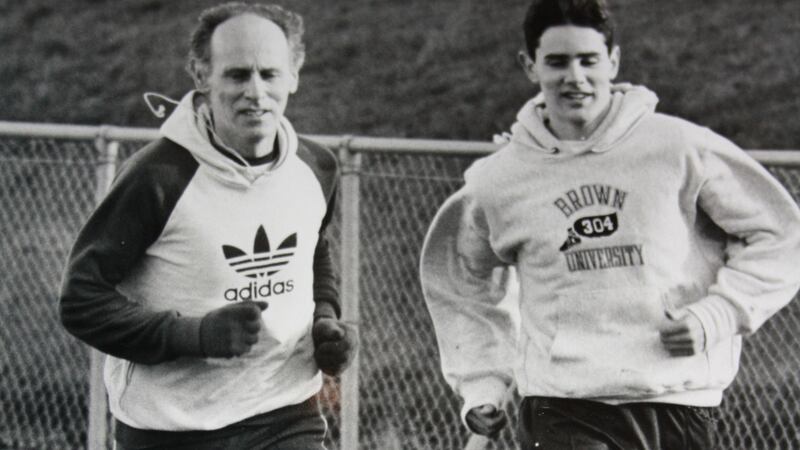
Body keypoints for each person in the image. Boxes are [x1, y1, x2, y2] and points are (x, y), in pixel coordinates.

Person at [419, 0, 800, 448]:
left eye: (588, 60)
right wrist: (483, 380)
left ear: (613, 62)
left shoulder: (678, 148)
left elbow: (783, 234)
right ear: (529, 66)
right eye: (557, 62)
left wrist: (717, 315)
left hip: (677, 399)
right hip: (564, 404)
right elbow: (458, 275)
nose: (574, 77)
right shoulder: (500, 178)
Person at [59, 3, 356, 449]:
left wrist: (326, 320)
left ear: (294, 75)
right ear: (201, 76)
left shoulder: (316, 167)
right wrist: (191, 334)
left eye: (270, 74)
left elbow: (313, 250)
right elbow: (81, 299)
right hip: (173, 429)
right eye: (237, 75)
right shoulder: (158, 177)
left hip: (286, 414)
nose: (256, 93)